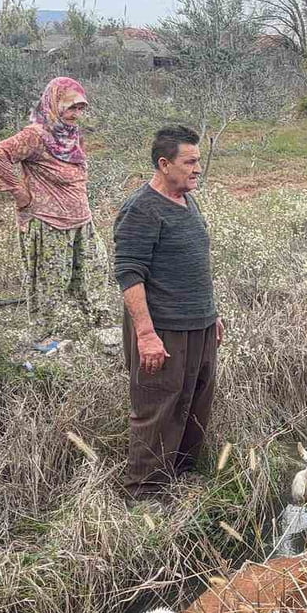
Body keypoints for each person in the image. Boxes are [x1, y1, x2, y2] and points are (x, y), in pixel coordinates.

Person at [112, 125, 224, 495]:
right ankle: (144, 494)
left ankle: (183, 480)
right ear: (164, 164)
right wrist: (146, 334)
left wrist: (212, 315)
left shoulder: (187, 199)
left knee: (195, 401)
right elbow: (129, 275)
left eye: (198, 161)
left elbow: (194, 264)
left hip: (200, 324)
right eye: (189, 162)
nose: (198, 169)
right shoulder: (141, 209)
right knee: (158, 409)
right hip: (164, 328)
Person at [0, 77, 109, 333]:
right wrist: (20, 193)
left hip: (81, 220)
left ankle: (96, 326)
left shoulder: (72, 135)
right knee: (51, 282)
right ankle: (45, 336)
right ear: (54, 104)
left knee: (94, 271)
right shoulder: (36, 135)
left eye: (80, 108)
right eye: (71, 107)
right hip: (49, 223)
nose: (76, 114)